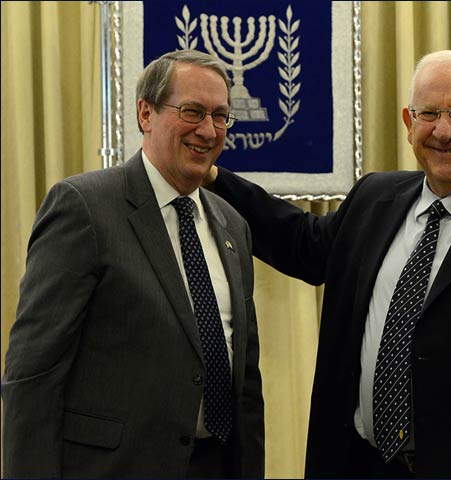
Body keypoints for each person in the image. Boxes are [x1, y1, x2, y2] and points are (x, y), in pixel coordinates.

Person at [204, 50, 451, 478]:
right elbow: (302, 243)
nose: (444, 130)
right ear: (409, 123)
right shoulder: (376, 196)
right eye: (429, 113)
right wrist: (209, 175)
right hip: (359, 465)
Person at [2, 50, 264, 478]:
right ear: (146, 112)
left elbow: (245, 383)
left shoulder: (232, 224)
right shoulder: (84, 207)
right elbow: (33, 375)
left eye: (220, 116)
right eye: (193, 111)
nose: (208, 130)